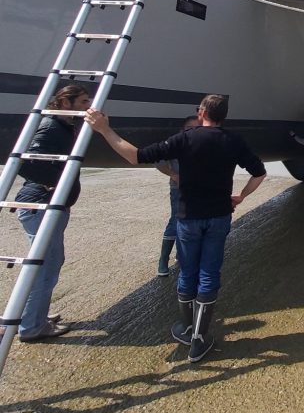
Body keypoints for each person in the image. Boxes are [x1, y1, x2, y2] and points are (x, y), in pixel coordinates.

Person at [85, 95, 266, 363]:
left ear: (202, 112)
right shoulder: (234, 141)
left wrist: (104, 130)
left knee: (187, 271)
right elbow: (260, 172)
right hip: (218, 217)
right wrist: (240, 196)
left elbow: (136, 157)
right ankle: (199, 340)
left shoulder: (185, 138)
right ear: (224, 115)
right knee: (209, 274)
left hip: (187, 218)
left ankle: (187, 328)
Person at [15, 84, 92, 342]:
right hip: (41, 206)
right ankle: (32, 327)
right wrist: (53, 183)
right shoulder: (50, 126)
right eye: (82, 102)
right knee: (45, 267)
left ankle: (29, 318)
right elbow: (25, 162)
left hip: (49, 206)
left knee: (45, 266)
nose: (87, 106)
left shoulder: (65, 126)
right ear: (65, 102)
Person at [155, 115, 200, 277]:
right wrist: (173, 175)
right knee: (175, 221)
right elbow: (158, 160)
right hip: (179, 188)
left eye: (198, 128)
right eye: (190, 128)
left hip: (196, 189)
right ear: (183, 129)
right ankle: (163, 260)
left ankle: (181, 255)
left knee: (190, 222)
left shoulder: (202, 143)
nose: (194, 131)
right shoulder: (176, 143)